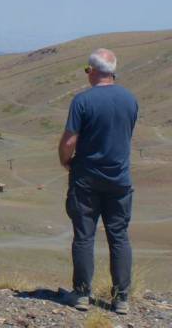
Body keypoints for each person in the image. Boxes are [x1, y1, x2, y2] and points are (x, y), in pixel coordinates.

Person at [58, 48, 138, 314]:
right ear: (112, 71)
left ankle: (81, 294)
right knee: (119, 237)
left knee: (84, 236)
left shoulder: (82, 101)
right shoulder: (130, 99)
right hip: (120, 180)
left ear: (92, 71)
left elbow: (70, 141)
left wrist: (66, 160)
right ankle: (122, 298)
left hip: (86, 180)